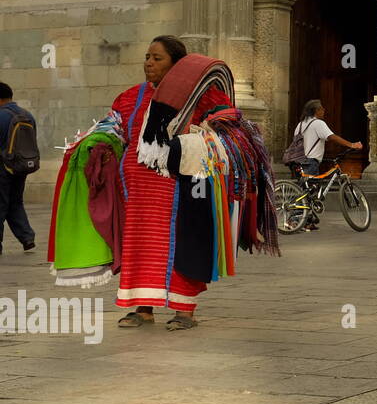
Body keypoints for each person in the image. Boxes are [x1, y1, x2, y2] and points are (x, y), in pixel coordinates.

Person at [110, 36, 278, 330]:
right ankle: (143, 308)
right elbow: (114, 129)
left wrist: (195, 141)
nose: (148, 62)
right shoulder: (129, 97)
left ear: (177, 65)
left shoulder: (202, 96)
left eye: (157, 58)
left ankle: (184, 311)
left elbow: (230, 128)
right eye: (147, 57)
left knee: (182, 245)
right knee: (142, 246)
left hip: (182, 189)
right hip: (138, 192)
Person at [291, 99, 363, 230]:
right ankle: (295, 219)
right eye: (322, 109)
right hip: (310, 161)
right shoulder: (318, 123)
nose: (324, 111)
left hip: (299, 160)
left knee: (308, 190)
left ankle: (307, 221)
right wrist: (351, 145)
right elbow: (331, 137)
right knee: (307, 192)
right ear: (316, 111)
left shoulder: (301, 124)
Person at [0, 82, 37, 257]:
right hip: (21, 167)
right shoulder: (27, 115)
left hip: (2, 168)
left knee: (2, 204)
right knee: (15, 202)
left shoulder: (1, 116)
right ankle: (27, 237)